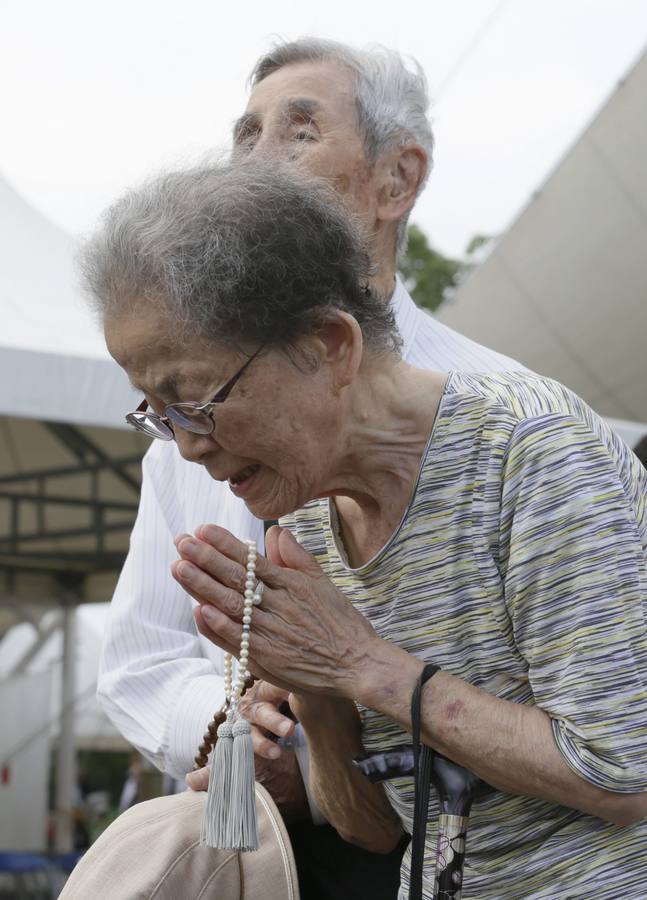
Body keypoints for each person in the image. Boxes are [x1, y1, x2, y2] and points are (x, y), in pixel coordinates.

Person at [81, 159, 647, 898]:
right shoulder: (310, 520)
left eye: (192, 400)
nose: (185, 445)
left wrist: (360, 663)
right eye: (157, 411)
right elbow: (374, 830)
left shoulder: (531, 453)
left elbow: (622, 773)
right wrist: (310, 690)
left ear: (328, 346)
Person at [96, 36, 522, 838]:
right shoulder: (187, 422)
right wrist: (237, 728)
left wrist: (347, 687)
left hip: (457, 832)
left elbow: (584, 716)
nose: (256, 160)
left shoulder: (508, 413)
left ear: (397, 177)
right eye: (244, 135)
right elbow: (139, 659)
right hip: (250, 832)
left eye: (298, 131)